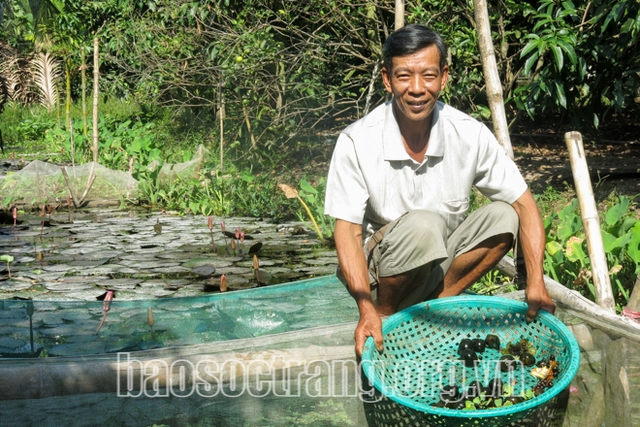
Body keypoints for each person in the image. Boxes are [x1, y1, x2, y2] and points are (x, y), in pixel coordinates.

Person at [324, 24, 555, 357]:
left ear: (444, 77)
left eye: (428, 76)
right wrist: (365, 307)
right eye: (404, 77)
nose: (417, 89)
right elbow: (346, 230)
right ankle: (387, 316)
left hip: (434, 266)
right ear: (388, 80)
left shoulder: (468, 134)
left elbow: (525, 205)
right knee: (424, 225)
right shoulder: (357, 141)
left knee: (505, 216)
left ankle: (430, 309)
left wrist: (536, 282)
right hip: (378, 276)